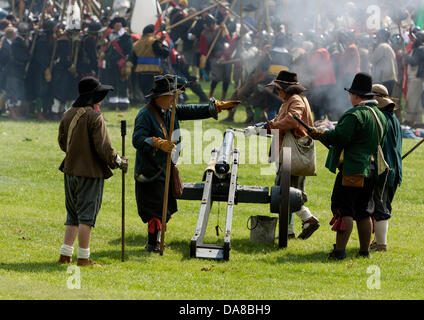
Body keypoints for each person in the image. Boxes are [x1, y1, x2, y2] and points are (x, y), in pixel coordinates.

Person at [132, 74, 239, 253]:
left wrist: (214, 107)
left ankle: (156, 241)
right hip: (150, 170)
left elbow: (191, 110)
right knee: (155, 209)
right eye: (172, 96)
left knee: (164, 208)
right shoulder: (145, 114)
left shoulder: (169, 110)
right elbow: (137, 139)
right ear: (161, 97)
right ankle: (152, 244)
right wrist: (158, 143)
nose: (175, 99)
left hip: (165, 168)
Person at [309, 72, 387, 260]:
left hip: (352, 169)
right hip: (371, 169)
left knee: (345, 210)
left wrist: (320, 134)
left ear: (356, 95)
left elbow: (340, 137)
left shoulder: (354, 114)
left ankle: (339, 251)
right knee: (364, 212)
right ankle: (364, 251)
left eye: (351, 93)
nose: (350, 97)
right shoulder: (380, 116)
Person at [57, 77, 128, 267]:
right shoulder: (95, 117)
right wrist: (118, 161)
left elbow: (63, 143)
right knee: (86, 217)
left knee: (72, 215)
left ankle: (65, 254)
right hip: (90, 173)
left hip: (69, 170)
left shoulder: (67, 114)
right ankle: (83, 258)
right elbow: (104, 148)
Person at [245, 70, 320, 240]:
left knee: (284, 192)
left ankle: (309, 219)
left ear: (286, 88)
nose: (276, 91)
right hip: (290, 150)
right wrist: (261, 128)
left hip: (292, 151)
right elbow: (281, 122)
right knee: (289, 192)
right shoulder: (292, 100)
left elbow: (292, 121)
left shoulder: (295, 100)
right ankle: (289, 231)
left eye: (278, 88)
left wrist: (267, 127)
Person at [370, 84, 402, 252]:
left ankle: (381, 244)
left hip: (384, 169)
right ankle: (377, 241)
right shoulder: (393, 118)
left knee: (380, 206)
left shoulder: (380, 117)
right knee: (381, 204)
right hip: (394, 168)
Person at [131, 24, 168, 97]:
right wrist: (162, 43)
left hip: (140, 70)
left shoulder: (136, 44)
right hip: (153, 69)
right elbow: (164, 53)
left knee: (145, 91)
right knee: (153, 90)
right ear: (152, 32)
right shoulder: (154, 42)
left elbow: (134, 59)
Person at [370, 29, 398, 95]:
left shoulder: (382, 46)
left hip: (383, 79)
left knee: (381, 102)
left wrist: (371, 46)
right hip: (389, 79)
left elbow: (372, 59)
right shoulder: (388, 46)